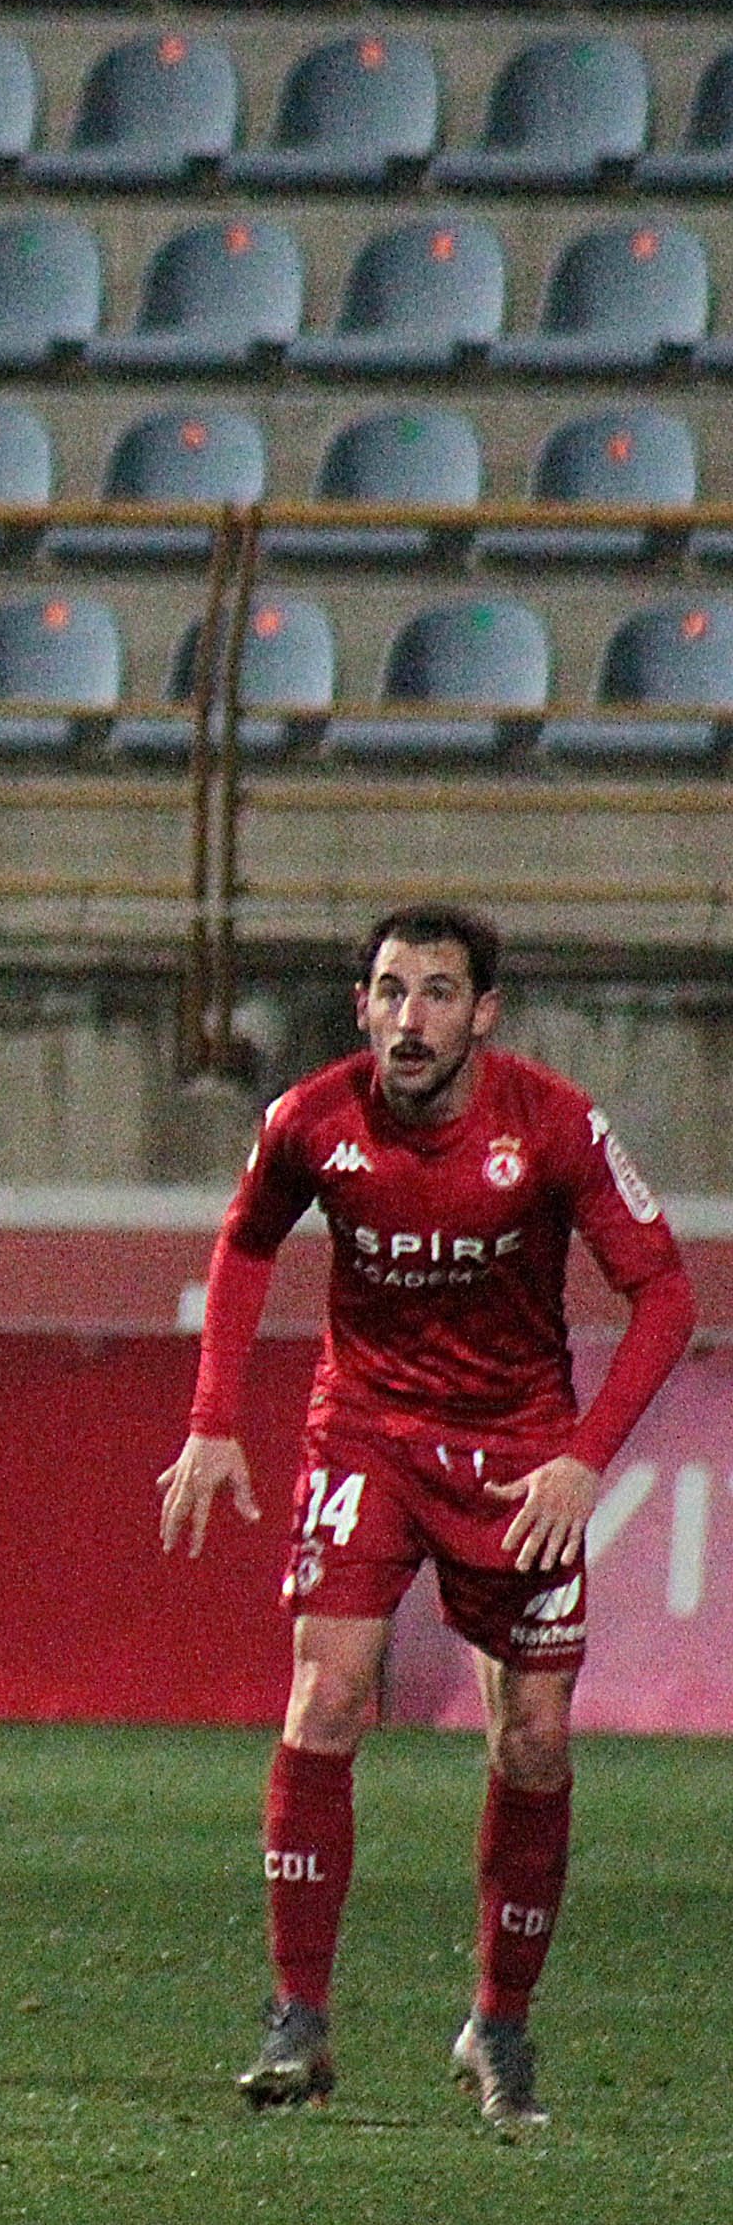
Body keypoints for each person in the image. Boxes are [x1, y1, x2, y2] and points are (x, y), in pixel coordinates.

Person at [159, 903, 693, 2132]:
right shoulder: (312, 1119)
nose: (411, 1020)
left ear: (483, 1014)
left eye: (438, 994)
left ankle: (498, 2025)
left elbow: (664, 1293)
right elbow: (245, 1246)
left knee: (536, 1742)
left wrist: (583, 1460)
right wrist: (211, 1420)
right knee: (328, 1696)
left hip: (515, 1459)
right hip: (368, 1439)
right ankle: (298, 2017)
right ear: (363, 1007)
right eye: (391, 993)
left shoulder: (553, 1126)